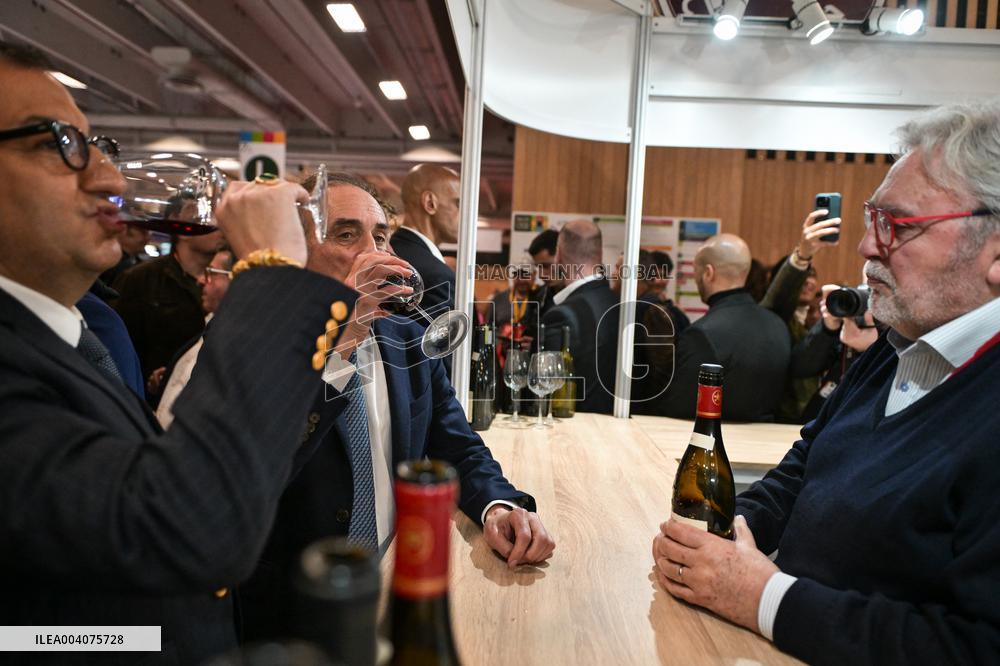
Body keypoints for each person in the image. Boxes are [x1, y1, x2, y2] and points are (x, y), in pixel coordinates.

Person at [0, 44, 359, 665]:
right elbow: (189, 524)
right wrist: (269, 273)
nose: (110, 180)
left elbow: (54, 615)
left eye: (96, 145)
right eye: (57, 143)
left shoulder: (76, 330)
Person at [652, 99, 1000, 664]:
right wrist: (725, 533)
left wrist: (762, 596)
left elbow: (975, 646)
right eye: (871, 220)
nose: (867, 248)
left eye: (897, 226)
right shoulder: (895, 349)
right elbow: (803, 469)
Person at [239, 172, 555, 641]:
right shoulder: (252, 346)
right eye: (347, 234)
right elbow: (259, 474)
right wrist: (343, 339)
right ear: (297, 250)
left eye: (382, 236)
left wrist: (497, 505)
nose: (376, 252)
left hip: (396, 584)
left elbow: (457, 444)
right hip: (294, 614)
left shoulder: (407, 338)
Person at [657, 234, 790, 421]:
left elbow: (679, 407)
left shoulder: (701, 334)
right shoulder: (778, 325)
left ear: (709, 273)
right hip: (769, 444)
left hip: (717, 444)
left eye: (696, 271)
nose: (695, 279)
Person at [113, 229, 225, 397]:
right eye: (208, 224)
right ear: (184, 233)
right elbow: (118, 346)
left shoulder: (228, 281)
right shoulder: (141, 278)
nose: (219, 229)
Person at [761, 209, 841, 422]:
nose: (808, 281)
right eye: (803, 275)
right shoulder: (775, 318)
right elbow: (779, 296)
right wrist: (802, 255)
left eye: (812, 275)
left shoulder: (826, 317)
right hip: (783, 417)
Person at [540, 219, 619, 414]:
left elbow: (546, 392)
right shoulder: (619, 304)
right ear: (600, 254)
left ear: (558, 255)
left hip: (574, 432)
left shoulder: (560, 315)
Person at [155, 248, 234, 428]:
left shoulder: (236, 341)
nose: (200, 280)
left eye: (211, 273)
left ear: (236, 278)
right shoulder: (209, 327)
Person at [391, 164, 460, 320]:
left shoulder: (391, 251)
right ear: (430, 203)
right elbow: (438, 344)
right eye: (458, 203)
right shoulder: (438, 277)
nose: (465, 215)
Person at [630, 249, 689, 415]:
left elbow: (663, 369)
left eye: (664, 275)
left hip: (649, 406)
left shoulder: (655, 310)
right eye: (655, 274)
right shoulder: (654, 307)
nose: (658, 281)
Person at [100, 223, 151, 290]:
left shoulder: (137, 263)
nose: (147, 239)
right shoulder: (111, 261)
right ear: (123, 233)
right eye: (143, 233)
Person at [528, 228, 560, 316]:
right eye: (538, 267)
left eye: (546, 266)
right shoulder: (538, 296)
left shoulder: (586, 296)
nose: (541, 275)